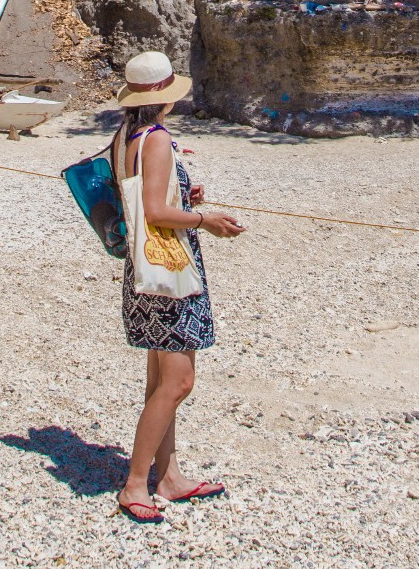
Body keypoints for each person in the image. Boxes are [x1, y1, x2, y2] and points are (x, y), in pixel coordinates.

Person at [109, 51, 246, 523]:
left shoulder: (125, 135)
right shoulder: (159, 140)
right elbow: (155, 213)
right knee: (178, 382)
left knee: (160, 381)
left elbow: (140, 198)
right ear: (165, 99)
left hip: (143, 271)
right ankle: (134, 484)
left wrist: (186, 197)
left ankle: (168, 476)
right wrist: (204, 219)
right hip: (169, 275)